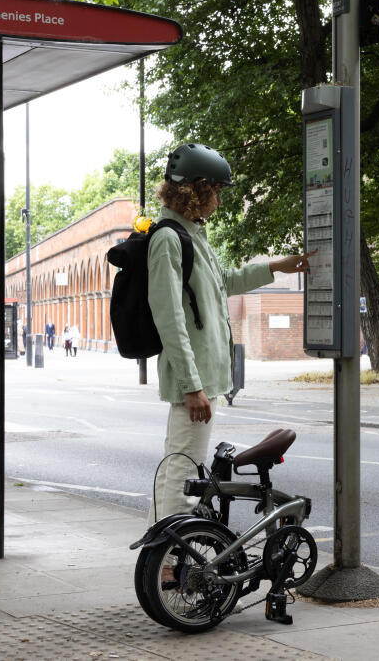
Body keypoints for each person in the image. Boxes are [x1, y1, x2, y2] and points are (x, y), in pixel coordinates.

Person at [146, 143, 314, 527]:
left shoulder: (191, 235)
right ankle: (169, 562)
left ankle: (166, 550)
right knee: (182, 469)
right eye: (217, 191)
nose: (219, 200)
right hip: (196, 381)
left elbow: (225, 281)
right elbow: (169, 318)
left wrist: (276, 267)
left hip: (205, 378)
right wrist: (192, 386)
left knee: (182, 462)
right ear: (197, 189)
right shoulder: (168, 239)